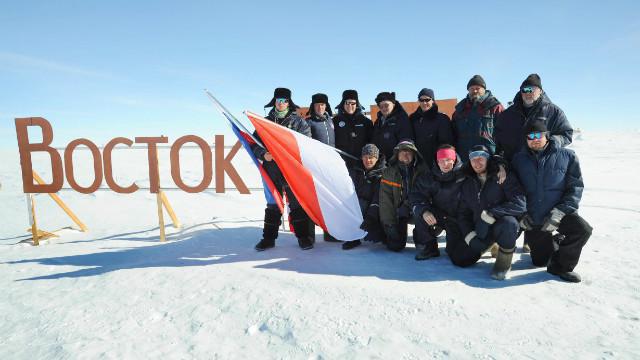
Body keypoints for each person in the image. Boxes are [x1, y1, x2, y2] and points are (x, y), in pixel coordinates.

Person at [511, 120, 592, 282]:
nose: (535, 139)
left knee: (582, 229)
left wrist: (559, 213)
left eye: (538, 135)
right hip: (534, 217)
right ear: (526, 139)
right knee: (539, 261)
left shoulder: (567, 156)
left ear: (547, 136)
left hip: (559, 212)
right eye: (530, 136)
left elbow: (575, 187)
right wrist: (521, 213)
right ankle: (556, 242)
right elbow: (513, 190)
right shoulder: (518, 159)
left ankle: (561, 267)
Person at [252, 88, 315, 251]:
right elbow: (253, 144)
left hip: (291, 170)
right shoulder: (264, 122)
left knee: (296, 203)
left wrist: (290, 154)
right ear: (274, 102)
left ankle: (303, 237)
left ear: (289, 103)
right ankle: (268, 239)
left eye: (284, 100)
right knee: (273, 203)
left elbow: (306, 144)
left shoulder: (299, 122)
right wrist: (263, 154)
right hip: (271, 169)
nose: (281, 103)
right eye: (278, 100)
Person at [456, 145, 527, 280]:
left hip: (500, 228)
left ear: (488, 159)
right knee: (460, 259)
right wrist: (469, 235)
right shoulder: (467, 181)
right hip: (481, 229)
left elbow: (520, 204)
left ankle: (504, 262)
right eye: (473, 159)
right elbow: (463, 213)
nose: (477, 163)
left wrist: (491, 214)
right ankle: (489, 245)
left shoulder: (503, 176)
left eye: (481, 158)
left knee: (509, 223)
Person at [495, 73, 573, 162]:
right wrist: (499, 160)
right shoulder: (507, 114)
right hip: (513, 166)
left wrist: (552, 141)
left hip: (541, 166)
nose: (528, 92)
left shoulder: (554, 112)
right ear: (521, 92)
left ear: (540, 91)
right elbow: (497, 139)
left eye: (531, 89)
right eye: (525, 90)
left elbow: (567, 134)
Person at [410, 144, 466, 260]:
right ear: (437, 161)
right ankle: (430, 247)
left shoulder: (465, 174)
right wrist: (424, 211)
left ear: (454, 159)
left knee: (453, 253)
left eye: (448, 160)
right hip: (439, 215)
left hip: (458, 219)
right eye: (441, 161)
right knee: (420, 213)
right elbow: (417, 195)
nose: (445, 164)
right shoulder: (430, 176)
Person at [379, 140, 429, 252]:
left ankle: (422, 235)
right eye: (403, 152)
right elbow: (385, 201)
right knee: (395, 246)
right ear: (397, 155)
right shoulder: (389, 172)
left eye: (409, 152)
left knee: (423, 245)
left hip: (419, 210)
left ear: (414, 154)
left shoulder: (423, 171)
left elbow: (428, 195)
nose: (406, 155)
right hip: (399, 212)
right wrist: (390, 224)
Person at [343, 144, 387, 250]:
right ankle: (353, 238)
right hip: (359, 206)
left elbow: (378, 198)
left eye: (371, 157)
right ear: (362, 158)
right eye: (365, 157)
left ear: (376, 158)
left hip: (375, 208)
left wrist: (371, 217)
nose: (368, 160)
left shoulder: (384, 173)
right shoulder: (355, 171)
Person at [452, 75, 504, 158]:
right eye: (472, 89)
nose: (475, 91)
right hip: (464, 158)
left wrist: (500, 156)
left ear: (484, 89)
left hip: (488, 157)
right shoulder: (460, 109)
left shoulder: (495, 107)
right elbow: (453, 134)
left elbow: (504, 133)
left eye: (477, 88)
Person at [409, 88, 454, 168]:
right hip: (418, 162)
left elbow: (446, 143)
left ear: (433, 100)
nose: (424, 102)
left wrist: (441, 161)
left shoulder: (442, 119)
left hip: (436, 162)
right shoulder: (413, 118)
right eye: (421, 100)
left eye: (427, 100)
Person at [333, 90, 373, 168]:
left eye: (353, 103)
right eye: (347, 103)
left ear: (357, 104)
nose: (350, 106)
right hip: (341, 163)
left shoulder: (366, 122)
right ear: (343, 104)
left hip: (361, 163)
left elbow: (371, 142)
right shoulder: (335, 121)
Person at [371, 91, 414, 161]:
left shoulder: (402, 120)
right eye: (381, 106)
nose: (384, 108)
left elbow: (406, 142)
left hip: (396, 163)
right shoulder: (378, 121)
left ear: (393, 104)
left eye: (386, 105)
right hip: (381, 162)